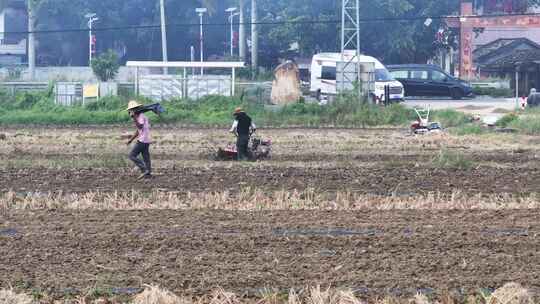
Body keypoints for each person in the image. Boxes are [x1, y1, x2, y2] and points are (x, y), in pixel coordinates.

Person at [126, 100, 152, 179]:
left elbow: (140, 126)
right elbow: (138, 131)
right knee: (146, 157)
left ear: (134, 110)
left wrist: (134, 118)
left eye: (131, 110)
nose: (130, 112)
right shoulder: (140, 116)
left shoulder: (141, 116)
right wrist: (131, 139)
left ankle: (144, 169)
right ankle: (148, 174)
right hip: (146, 140)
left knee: (132, 155)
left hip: (142, 140)